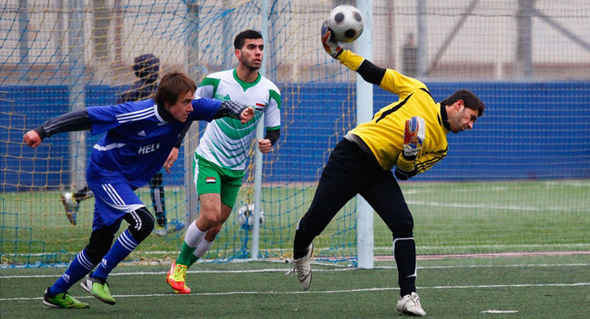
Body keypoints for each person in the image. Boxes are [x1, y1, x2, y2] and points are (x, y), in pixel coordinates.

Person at [290, 23, 485, 317]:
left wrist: (409, 153)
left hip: (377, 171)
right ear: (458, 105)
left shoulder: (441, 146)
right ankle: (301, 251)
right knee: (314, 222)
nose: (470, 126)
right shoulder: (418, 92)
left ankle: (408, 296)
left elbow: (404, 173)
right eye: (470, 119)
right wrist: (338, 52)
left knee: (403, 223)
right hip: (351, 154)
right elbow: (374, 72)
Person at [24, 71, 254, 309]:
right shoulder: (136, 112)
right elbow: (86, 116)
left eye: (191, 100)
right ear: (167, 103)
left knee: (99, 246)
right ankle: (98, 277)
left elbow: (220, 106)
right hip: (106, 174)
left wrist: (239, 111)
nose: (190, 106)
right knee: (143, 222)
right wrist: (42, 131)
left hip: (123, 181)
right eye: (185, 101)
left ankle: (55, 292)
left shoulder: (188, 110)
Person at [166, 29, 281, 294]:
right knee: (210, 215)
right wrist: (175, 145)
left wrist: (269, 141)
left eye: (261, 48)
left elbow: (274, 129)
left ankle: (181, 269)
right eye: (252, 47)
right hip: (209, 160)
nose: (258, 53)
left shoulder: (270, 92)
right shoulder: (214, 82)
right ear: (238, 53)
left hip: (236, 168)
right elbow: (188, 112)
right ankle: (179, 267)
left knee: (215, 227)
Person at [60, 54, 182, 236]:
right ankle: (162, 225)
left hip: (126, 150)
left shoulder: (127, 93)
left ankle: (76, 198)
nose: (158, 70)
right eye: (155, 67)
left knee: (120, 182)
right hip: (145, 148)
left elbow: (116, 121)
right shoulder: (159, 94)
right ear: (150, 70)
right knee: (151, 181)